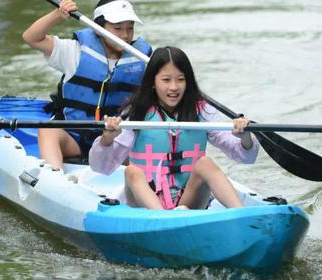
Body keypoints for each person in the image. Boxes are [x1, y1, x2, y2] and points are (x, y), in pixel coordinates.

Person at [89, 46, 259, 210]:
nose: (174, 87)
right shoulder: (135, 114)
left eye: (180, 79)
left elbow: (246, 157)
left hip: (188, 201)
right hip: (145, 204)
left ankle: (241, 214)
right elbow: (100, 167)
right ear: (153, 82)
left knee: (206, 163)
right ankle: (162, 219)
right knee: (132, 172)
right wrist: (107, 138)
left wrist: (244, 136)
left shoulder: (203, 111)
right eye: (166, 80)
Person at [22, 0, 152, 170]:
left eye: (130, 28)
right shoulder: (73, 51)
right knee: (48, 130)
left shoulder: (142, 59)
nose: (125, 35)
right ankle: (53, 176)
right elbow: (31, 38)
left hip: (114, 141)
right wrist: (57, 14)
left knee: (145, 136)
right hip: (73, 139)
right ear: (98, 29)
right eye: (118, 28)